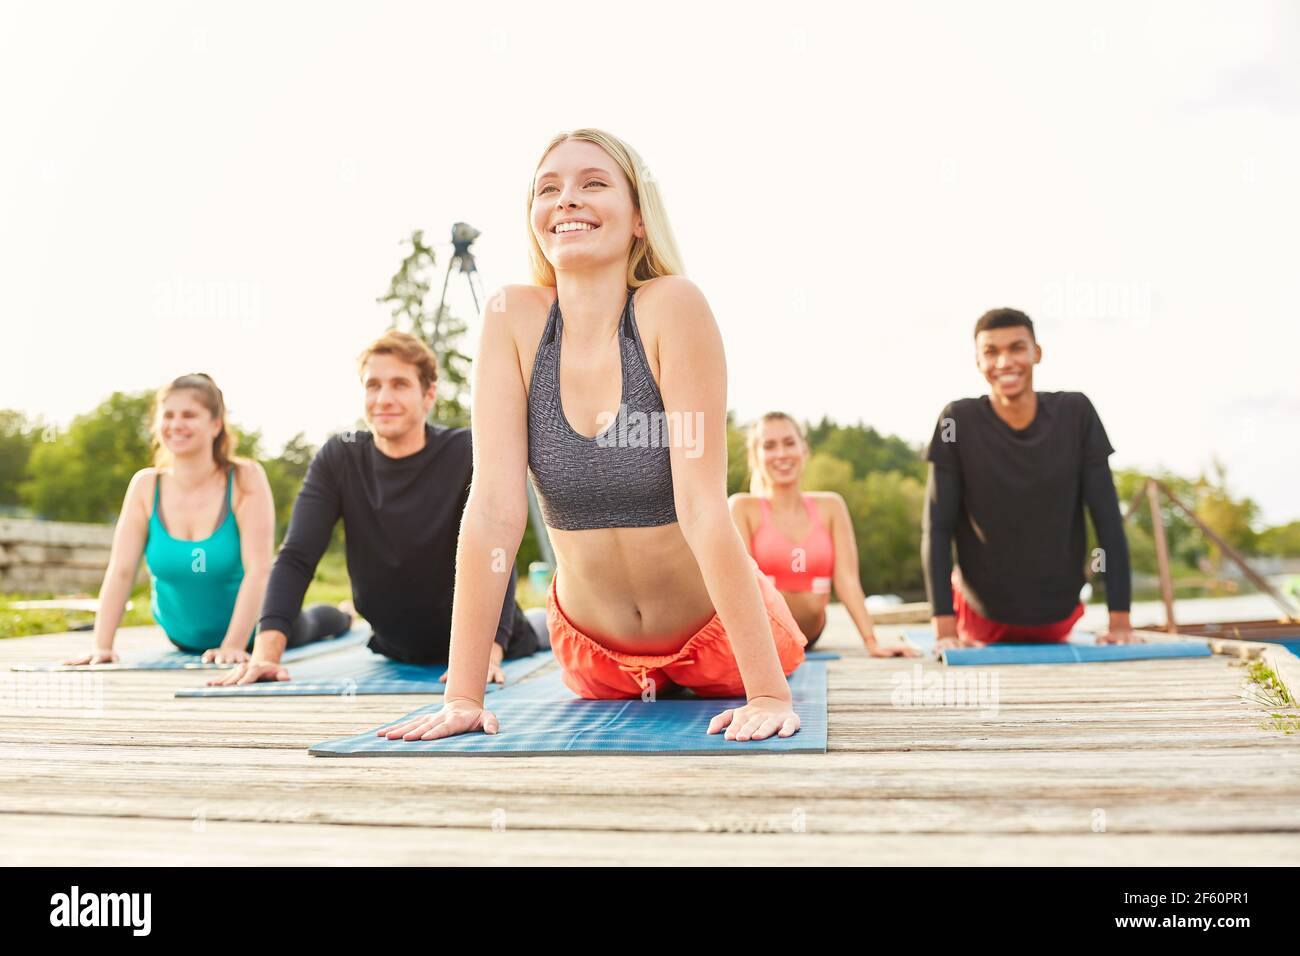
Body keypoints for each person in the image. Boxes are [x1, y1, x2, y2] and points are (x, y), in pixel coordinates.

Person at [378, 127, 807, 747]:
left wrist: (767, 692)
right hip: (593, 660)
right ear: (535, 221)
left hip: (716, 644)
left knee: (798, 624)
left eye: (594, 183)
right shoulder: (512, 318)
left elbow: (702, 504)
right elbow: (494, 508)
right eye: (548, 189)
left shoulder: (671, 307)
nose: (567, 199)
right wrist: (463, 697)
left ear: (638, 217)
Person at [211, 331, 541, 687]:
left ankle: (548, 622)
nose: (384, 398)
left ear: (428, 395)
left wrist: (488, 655)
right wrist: (265, 656)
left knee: (543, 629)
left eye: (399, 384)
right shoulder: (340, 458)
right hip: (396, 645)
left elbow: (496, 553)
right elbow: (296, 557)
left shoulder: (466, 451)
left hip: (487, 640)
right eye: (373, 386)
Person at [922, 307, 1135, 651]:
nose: (1005, 362)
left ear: (1037, 353)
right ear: (977, 361)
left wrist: (1120, 621)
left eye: (1016, 348)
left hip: (1058, 616)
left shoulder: (1077, 413)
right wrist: (945, 631)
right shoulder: (955, 421)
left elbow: (1107, 520)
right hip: (980, 618)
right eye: (991, 352)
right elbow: (937, 527)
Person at [68, 374, 292, 664]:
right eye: (169, 415)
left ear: (216, 424)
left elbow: (259, 570)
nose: (176, 424)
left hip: (255, 633)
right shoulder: (145, 486)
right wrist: (101, 646)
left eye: (189, 415)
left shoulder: (245, 478)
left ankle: (340, 614)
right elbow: (121, 570)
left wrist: (233, 645)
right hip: (182, 638)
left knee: (317, 621)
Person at [729, 411, 918, 658]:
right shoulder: (743, 508)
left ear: (804, 449)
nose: (782, 454)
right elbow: (741, 586)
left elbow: (848, 581)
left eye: (789, 443)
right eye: (769, 446)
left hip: (809, 634)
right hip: (759, 637)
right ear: (756, 456)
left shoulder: (831, 507)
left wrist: (872, 642)